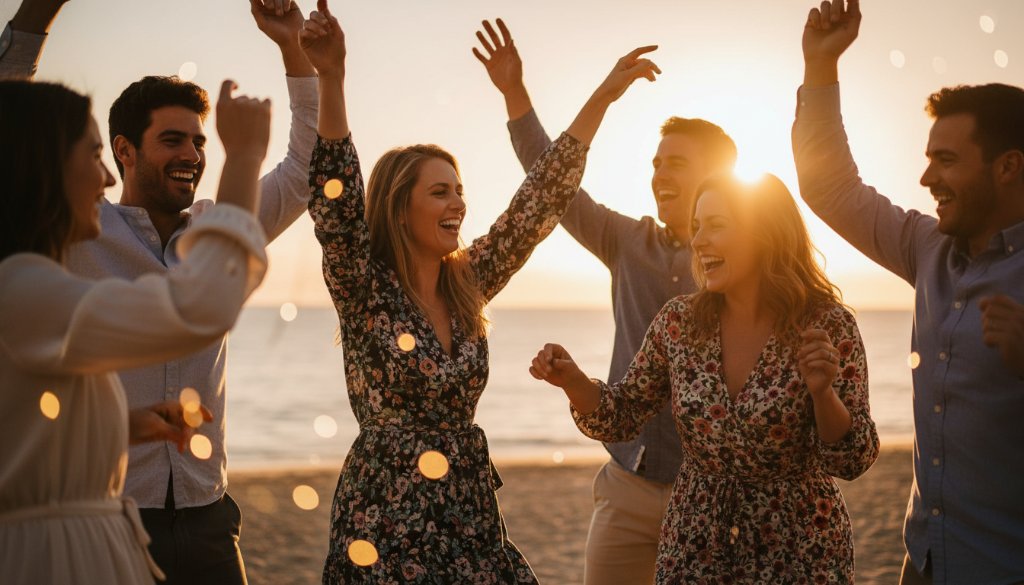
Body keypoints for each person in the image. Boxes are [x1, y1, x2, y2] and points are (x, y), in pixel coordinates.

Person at [299, 2, 661, 582]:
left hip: (468, 513)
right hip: (386, 519)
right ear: (399, 206)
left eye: (460, 190)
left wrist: (603, 96)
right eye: (440, 192)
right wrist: (332, 76)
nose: (459, 204)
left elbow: (540, 199)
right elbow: (335, 202)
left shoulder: (467, 284)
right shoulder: (364, 289)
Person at [0, 1, 330, 582]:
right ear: (123, 150)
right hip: (115, 509)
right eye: (172, 140)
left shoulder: (219, 219)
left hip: (208, 510)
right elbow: (13, 134)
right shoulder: (73, 232)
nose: (193, 156)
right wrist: (35, 16)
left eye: (200, 143)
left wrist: (292, 50)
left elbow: (306, 165)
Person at [472, 18, 738, 584]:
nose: (660, 174)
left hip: (714, 493)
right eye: (656, 163)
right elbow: (552, 184)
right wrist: (515, 93)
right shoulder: (626, 241)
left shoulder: (746, 260)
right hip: (626, 484)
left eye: (677, 163)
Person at [530, 173, 879, 583]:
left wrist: (823, 395)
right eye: (696, 227)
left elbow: (852, 459)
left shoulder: (828, 326)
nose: (697, 241)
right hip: (694, 545)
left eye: (715, 225)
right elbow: (620, 416)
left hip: (798, 548)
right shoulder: (679, 323)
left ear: (764, 232)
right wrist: (573, 381)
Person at [795, 1, 1024, 583]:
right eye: (927, 161)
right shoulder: (928, 248)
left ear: (1008, 167)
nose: (926, 181)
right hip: (923, 559)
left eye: (946, 161)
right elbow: (831, 187)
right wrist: (821, 68)